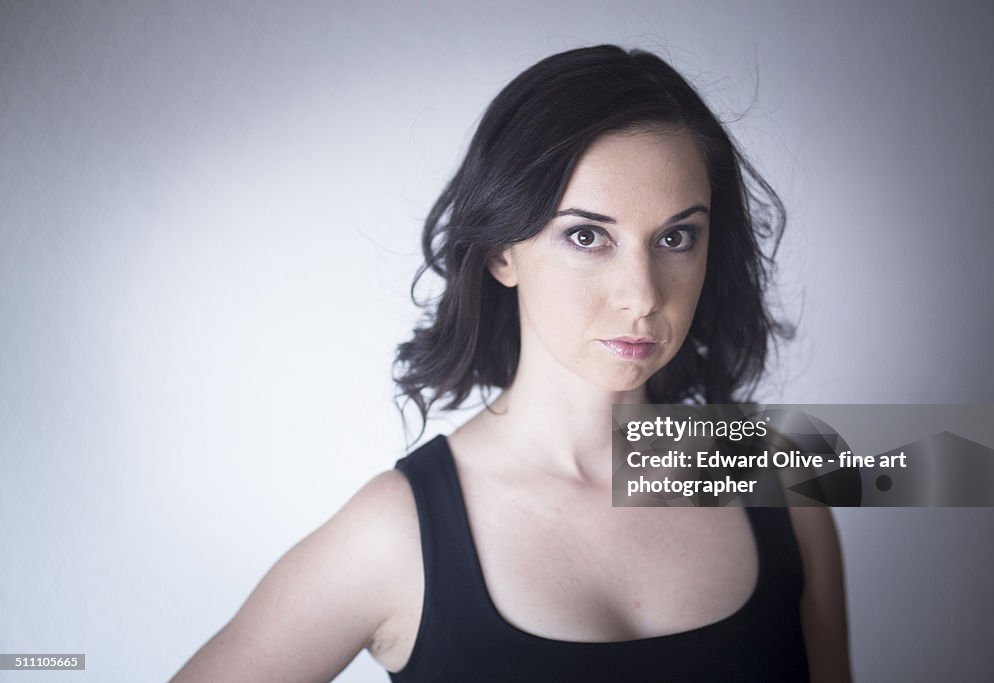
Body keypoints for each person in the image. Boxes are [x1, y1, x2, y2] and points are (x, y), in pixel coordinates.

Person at [171, 44, 851, 682]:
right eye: (587, 235)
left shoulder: (786, 479)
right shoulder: (395, 533)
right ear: (501, 252)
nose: (642, 295)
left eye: (677, 236)